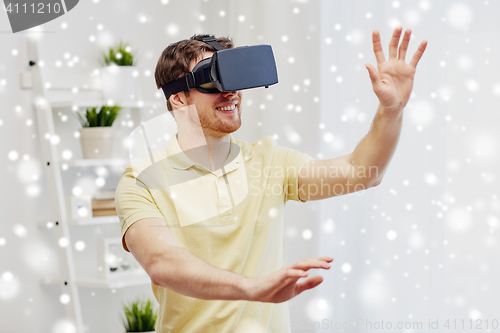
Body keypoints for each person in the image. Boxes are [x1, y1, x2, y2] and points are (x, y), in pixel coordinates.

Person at [115, 27, 427, 333]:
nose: (231, 92)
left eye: (234, 76)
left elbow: (362, 173)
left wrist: (392, 111)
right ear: (179, 99)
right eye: (213, 78)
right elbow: (162, 263)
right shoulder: (142, 181)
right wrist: (251, 288)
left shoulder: (270, 162)